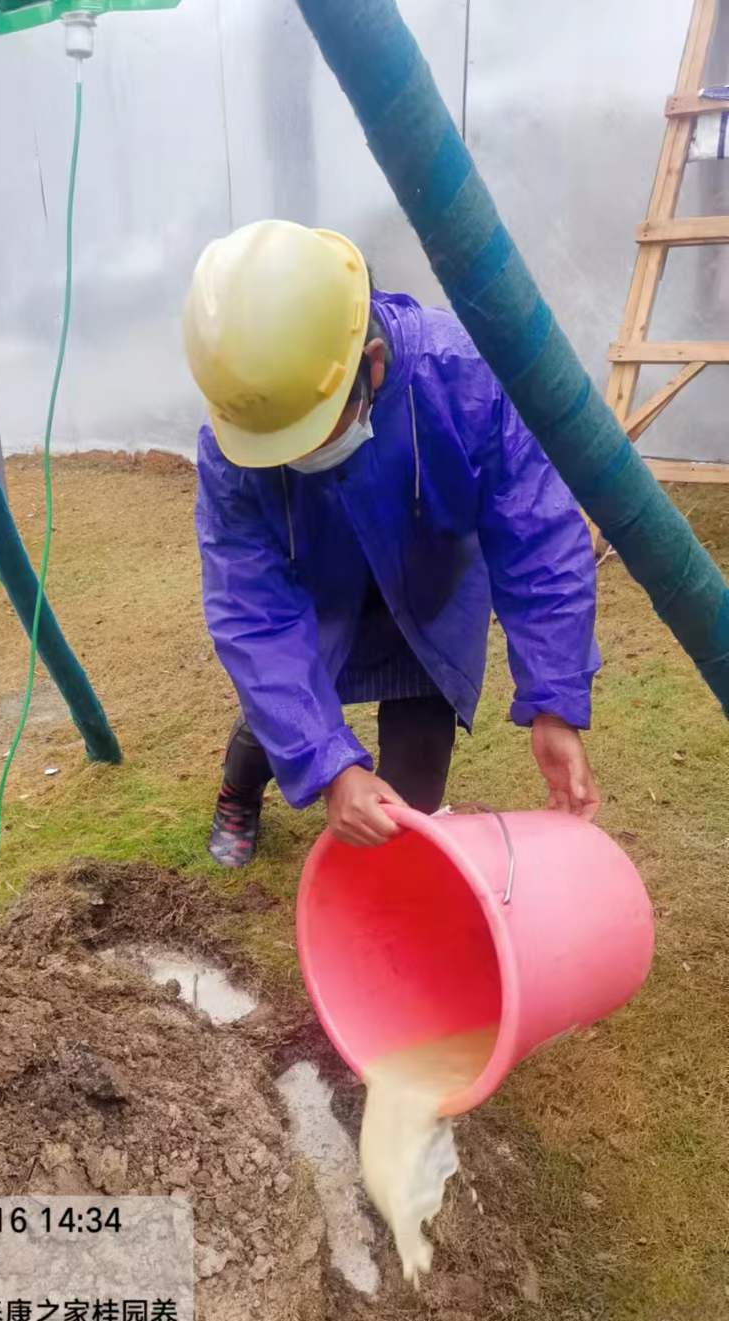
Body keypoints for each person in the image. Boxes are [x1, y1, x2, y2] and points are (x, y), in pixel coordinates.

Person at [182, 219, 601, 869]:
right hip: (319, 592)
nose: (293, 459)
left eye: (311, 437)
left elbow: (537, 537)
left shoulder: (461, 377)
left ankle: (383, 906)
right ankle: (239, 793)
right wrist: (329, 765)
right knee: (278, 721)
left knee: (407, 804)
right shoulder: (240, 441)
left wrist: (555, 700)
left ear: (372, 368)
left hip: (429, 589)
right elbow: (251, 609)